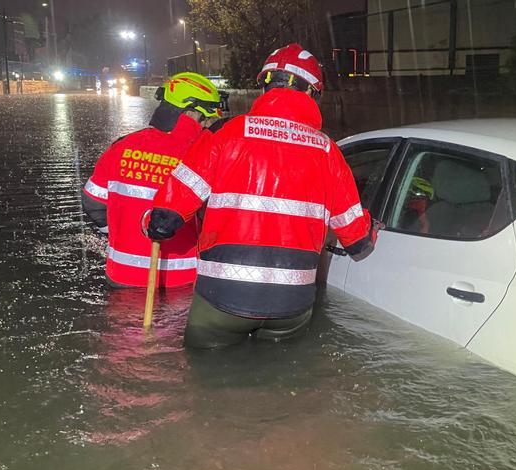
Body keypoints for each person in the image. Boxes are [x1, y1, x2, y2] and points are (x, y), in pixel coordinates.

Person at [147, 44, 379, 348]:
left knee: (205, 377)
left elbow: (171, 210)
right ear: (311, 93)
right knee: (280, 380)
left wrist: (159, 218)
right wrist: (373, 229)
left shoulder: (228, 133)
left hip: (224, 293)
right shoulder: (328, 151)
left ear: (267, 86)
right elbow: (356, 240)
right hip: (292, 301)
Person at [82, 72, 222, 288]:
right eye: (209, 116)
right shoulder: (203, 155)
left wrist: (120, 234)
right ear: (193, 113)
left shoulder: (122, 146)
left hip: (121, 275)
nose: (210, 123)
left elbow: (93, 203)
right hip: (182, 280)